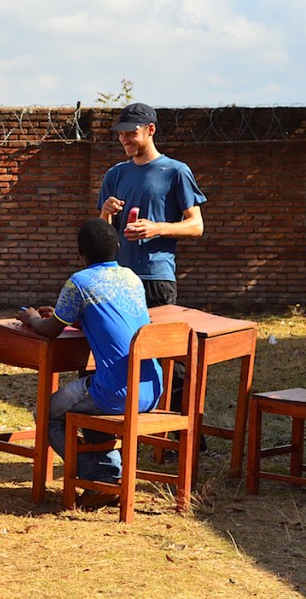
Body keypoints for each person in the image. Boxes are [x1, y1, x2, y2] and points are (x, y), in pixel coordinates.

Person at [16, 218, 162, 510]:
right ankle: (109, 477)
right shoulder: (132, 278)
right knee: (88, 406)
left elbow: (50, 331)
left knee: (46, 414)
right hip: (150, 388)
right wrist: (66, 313)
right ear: (118, 247)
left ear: (80, 252)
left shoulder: (79, 282)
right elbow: (112, 318)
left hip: (115, 392)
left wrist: (31, 318)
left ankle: (99, 480)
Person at [98, 102, 206, 416]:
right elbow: (104, 237)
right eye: (120, 134)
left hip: (156, 279)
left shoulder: (175, 171)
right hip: (119, 279)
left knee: (171, 357)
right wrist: (105, 214)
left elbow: (196, 225)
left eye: (131, 133)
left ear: (150, 130)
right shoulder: (115, 174)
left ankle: (177, 433)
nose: (125, 140)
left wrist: (156, 227)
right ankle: (120, 422)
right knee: (116, 351)